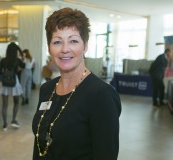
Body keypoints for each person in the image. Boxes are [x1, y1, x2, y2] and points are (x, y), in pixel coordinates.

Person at [32, 7, 122, 160]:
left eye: (73, 41)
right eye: (57, 42)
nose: (65, 49)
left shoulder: (101, 95)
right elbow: (39, 146)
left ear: (85, 46)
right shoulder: (47, 89)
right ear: (49, 48)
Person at [0, 42, 25, 131]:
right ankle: (13, 120)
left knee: (4, 104)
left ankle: (5, 124)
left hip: (4, 83)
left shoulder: (3, 60)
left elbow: (0, 72)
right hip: (14, 83)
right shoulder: (17, 60)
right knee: (16, 102)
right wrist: (22, 57)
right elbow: (23, 66)